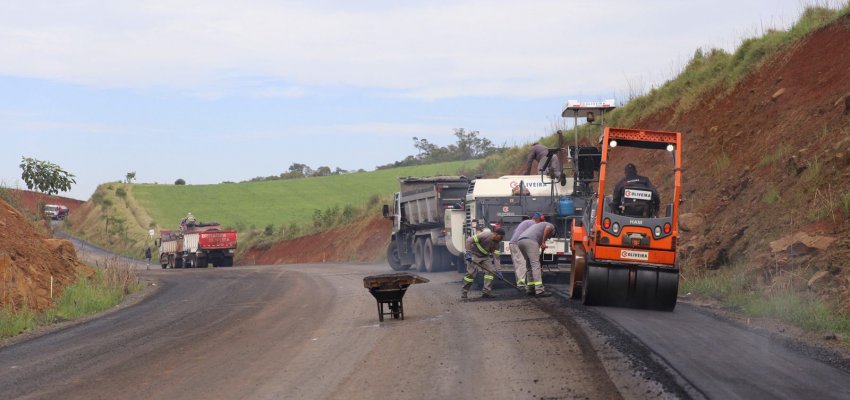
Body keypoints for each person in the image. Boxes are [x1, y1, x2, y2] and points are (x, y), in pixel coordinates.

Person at [461, 228, 506, 299]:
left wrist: (498, 270)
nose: (501, 239)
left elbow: (496, 258)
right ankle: (464, 292)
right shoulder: (484, 235)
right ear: (496, 234)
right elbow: (469, 240)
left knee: (491, 271)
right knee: (471, 274)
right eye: (501, 237)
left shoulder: (497, 244)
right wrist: (468, 253)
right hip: (474, 254)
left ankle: (486, 292)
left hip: (485, 257)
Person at [516, 221, 556, 297]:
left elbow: (537, 245)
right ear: (554, 231)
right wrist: (543, 242)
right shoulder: (551, 226)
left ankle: (530, 288)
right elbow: (548, 228)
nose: (549, 237)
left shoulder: (539, 227)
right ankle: (539, 290)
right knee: (536, 265)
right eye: (550, 236)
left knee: (529, 266)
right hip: (530, 240)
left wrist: (542, 244)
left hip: (520, 241)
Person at [508, 212, 544, 290]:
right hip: (517, 243)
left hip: (514, 242)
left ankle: (523, 283)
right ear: (539, 219)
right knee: (522, 263)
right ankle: (521, 285)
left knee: (521, 263)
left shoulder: (526, 222)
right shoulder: (533, 224)